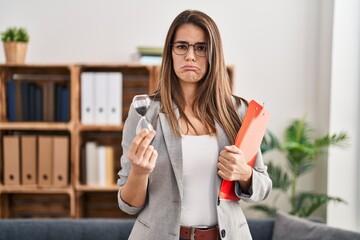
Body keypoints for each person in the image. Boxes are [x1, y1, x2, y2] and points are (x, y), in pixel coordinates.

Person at [117, 9, 272, 240]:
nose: (190, 56)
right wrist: (139, 173)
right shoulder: (145, 112)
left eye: (201, 48)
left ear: (213, 54)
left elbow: (263, 187)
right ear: (170, 52)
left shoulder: (237, 111)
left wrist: (244, 173)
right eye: (182, 46)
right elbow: (128, 205)